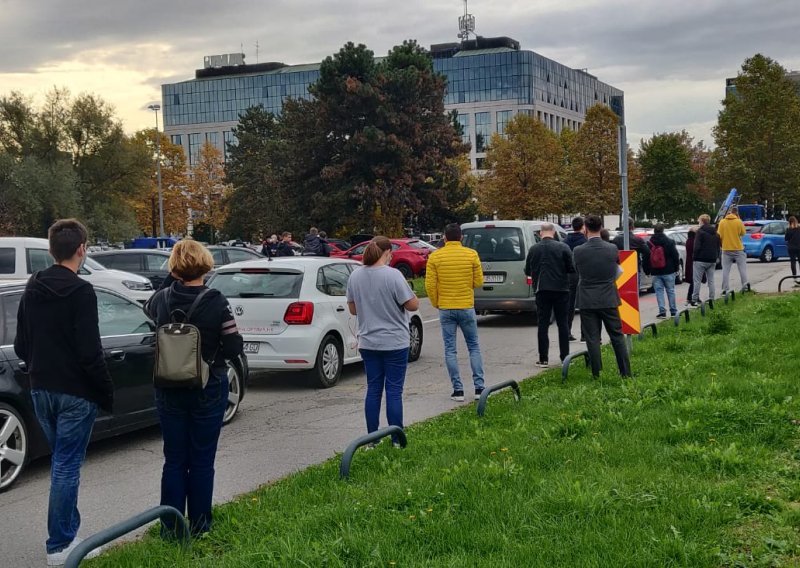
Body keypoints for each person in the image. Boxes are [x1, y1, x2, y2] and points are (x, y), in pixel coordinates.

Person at [14, 219, 113, 565]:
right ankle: (59, 545)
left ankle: (69, 533)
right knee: (66, 467)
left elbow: (20, 344)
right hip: (74, 393)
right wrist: (105, 391)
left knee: (62, 464)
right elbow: (90, 352)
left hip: (41, 388)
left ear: (52, 249)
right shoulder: (82, 291)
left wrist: (40, 366)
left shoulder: (33, 286)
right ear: (82, 249)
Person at [144, 240, 244, 537]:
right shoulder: (215, 300)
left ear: (174, 268)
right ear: (206, 264)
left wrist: (172, 276)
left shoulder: (161, 299)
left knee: (174, 459)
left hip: (168, 387)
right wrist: (212, 359)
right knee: (202, 460)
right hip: (207, 386)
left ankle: (170, 527)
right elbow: (234, 345)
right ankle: (201, 526)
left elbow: (148, 308)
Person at [346, 237, 419, 446]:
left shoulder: (355, 276)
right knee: (394, 390)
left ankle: (372, 439)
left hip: (369, 341)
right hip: (395, 341)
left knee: (373, 389)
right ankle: (397, 439)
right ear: (386, 253)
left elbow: (352, 309)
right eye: (391, 254)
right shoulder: (393, 275)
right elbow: (412, 305)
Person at [425, 223, 485, 402]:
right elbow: (479, 281)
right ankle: (479, 387)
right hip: (466, 306)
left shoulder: (435, 257)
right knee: (473, 346)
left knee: (450, 350)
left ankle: (458, 390)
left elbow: (429, 285)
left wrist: (437, 302)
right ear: (461, 237)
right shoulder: (471, 254)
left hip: (446, 308)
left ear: (444, 237)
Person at [573, 215, 632, 379]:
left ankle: (597, 373)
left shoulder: (578, 251)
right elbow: (616, 268)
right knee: (617, 336)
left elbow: (576, 270)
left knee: (592, 338)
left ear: (585, 228)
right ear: (601, 227)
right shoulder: (612, 249)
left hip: (587, 299)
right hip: (608, 297)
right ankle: (626, 373)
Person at [525, 222, 575, 367]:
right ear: (553, 232)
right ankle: (565, 358)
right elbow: (571, 268)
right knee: (563, 324)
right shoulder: (563, 247)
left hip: (542, 290)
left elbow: (528, 270)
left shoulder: (534, 249)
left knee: (543, 324)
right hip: (561, 289)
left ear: (541, 233)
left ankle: (543, 358)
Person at [648, 224, 681, 319]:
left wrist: (648, 270)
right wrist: (676, 268)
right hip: (669, 270)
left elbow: (647, 257)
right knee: (670, 290)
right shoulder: (670, 241)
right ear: (663, 230)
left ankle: (662, 312)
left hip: (655, 271)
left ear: (654, 231)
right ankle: (673, 311)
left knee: (659, 291)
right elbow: (675, 255)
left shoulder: (650, 242)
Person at [564, 217, 587, 342]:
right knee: (583, 304)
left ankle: (567, 332)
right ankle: (584, 334)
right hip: (582, 275)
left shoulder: (565, 241)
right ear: (583, 227)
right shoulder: (585, 241)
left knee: (569, 304)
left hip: (569, 276)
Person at [718, 206, 749, 293]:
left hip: (726, 249)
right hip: (738, 249)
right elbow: (743, 233)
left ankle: (725, 289)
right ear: (737, 213)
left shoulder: (722, 222)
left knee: (725, 270)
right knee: (742, 269)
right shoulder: (738, 222)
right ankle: (745, 286)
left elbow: (719, 235)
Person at [692, 214, 720, 306]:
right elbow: (718, 247)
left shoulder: (700, 232)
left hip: (700, 259)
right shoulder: (716, 233)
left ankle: (694, 299)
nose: (698, 223)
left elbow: (696, 247)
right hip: (712, 259)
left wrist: (694, 257)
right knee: (711, 280)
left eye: (699, 221)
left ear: (702, 221)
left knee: (697, 280)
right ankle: (712, 298)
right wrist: (716, 257)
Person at [612, 218, 651, 283]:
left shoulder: (616, 240)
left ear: (622, 226)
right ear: (632, 226)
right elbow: (647, 253)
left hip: (620, 271)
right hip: (634, 270)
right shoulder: (638, 240)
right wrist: (646, 268)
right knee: (635, 291)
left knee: (621, 292)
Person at [785, 216, 800, 283]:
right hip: (799, 247)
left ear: (789, 222)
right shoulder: (799, 228)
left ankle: (795, 277)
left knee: (793, 262)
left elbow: (786, 239)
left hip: (791, 248)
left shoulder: (788, 229)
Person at [684, 228, 696, 305]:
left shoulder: (688, 240)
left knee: (694, 280)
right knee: (694, 280)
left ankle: (691, 297)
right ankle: (690, 297)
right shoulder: (693, 241)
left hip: (689, 262)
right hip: (693, 262)